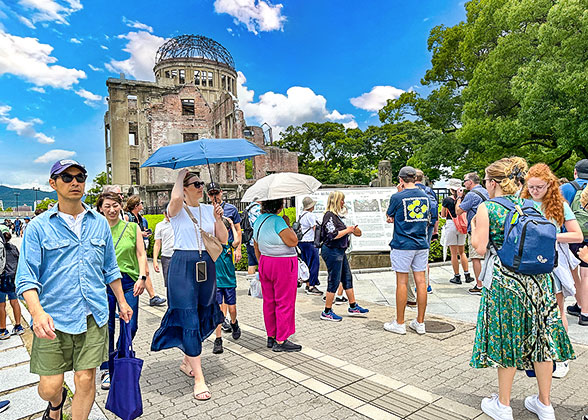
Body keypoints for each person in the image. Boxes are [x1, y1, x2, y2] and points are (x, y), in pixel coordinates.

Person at [16, 159, 132, 420]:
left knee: (85, 378)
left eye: (80, 177)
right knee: (49, 387)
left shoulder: (99, 223)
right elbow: (26, 278)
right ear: (53, 183)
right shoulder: (38, 227)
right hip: (52, 318)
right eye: (66, 177)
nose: (75, 182)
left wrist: (122, 302)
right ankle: (56, 405)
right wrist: (36, 313)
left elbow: (110, 269)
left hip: (93, 315)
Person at [470, 157, 574, 420]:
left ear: (493, 182)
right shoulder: (532, 205)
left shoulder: (488, 208)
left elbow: (479, 248)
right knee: (542, 339)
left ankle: (503, 405)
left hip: (507, 282)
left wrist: (474, 228)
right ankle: (545, 404)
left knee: (507, 338)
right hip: (540, 280)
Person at [151, 170, 227, 401]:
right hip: (182, 265)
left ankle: (187, 361)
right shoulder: (176, 210)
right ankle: (199, 378)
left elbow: (223, 239)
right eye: (195, 184)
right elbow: (174, 200)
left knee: (205, 311)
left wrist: (217, 218)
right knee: (188, 316)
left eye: (201, 183)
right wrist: (180, 174)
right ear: (184, 189)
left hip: (206, 265)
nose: (200, 187)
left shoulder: (208, 209)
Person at [521, 163, 583, 378]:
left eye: (539, 187)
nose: (535, 191)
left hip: (550, 263)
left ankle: (562, 357)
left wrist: (551, 236)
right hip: (527, 264)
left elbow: (577, 235)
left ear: (549, 185)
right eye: (531, 187)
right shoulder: (522, 202)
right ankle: (536, 357)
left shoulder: (559, 205)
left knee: (557, 311)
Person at [96, 192, 148, 391]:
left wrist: (142, 277)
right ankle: (108, 368)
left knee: (131, 326)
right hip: (104, 284)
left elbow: (142, 255)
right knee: (107, 328)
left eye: (115, 205)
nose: (111, 209)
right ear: (101, 208)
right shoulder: (97, 230)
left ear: (121, 206)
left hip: (128, 282)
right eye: (107, 206)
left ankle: (119, 357)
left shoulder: (132, 227)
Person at [384, 166, 431, 335]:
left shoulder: (397, 197)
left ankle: (400, 322)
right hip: (421, 243)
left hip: (403, 244)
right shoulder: (425, 196)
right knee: (421, 282)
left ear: (401, 180)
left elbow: (389, 216)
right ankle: (420, 322)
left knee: (402, 282)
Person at [253, 198, 302, 351]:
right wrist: (287, 224)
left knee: (269, 301)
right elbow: (293, 241)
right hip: (283, 264)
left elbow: (256, 244)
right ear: (280, 207)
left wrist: (261, 262)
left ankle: (271, 335)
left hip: (265, 261)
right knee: (284, 301)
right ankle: (281, 339)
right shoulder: (278, 221)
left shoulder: (258, 220)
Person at [320, 191, 368, 322]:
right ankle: (327, 311)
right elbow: (332, 234)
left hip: (340, 250)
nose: (343, 202)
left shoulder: (337, 216)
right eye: (341, 200)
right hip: (332, 250)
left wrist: (352, 229)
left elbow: (355, 232)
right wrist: (348, 230)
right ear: (336, 201)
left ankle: (353, 306)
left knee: (347, 277)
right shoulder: (329, 216)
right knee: (334, 280)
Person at [207, 182, 242, 333]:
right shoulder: (206, 210)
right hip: (214, 252)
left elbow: (238, 231)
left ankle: (229, 318)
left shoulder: (231, 209)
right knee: (218, 292)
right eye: (211, 193)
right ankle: (223, 320)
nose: (214, 196)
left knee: (227, 288)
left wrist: (238, 249)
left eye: (216, 192)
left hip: (227, 251)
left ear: (221, 192)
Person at [125, 195, 167, 307]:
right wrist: (139, 234)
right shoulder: (127, 217)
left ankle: (152, 296)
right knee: (138, 272)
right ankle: (149, 296)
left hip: (140, 247)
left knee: (146, 271)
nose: (143, 205)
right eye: (141, 203)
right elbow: (125, 233)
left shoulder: (140, 218)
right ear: (136, 205)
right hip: (131, 249)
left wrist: (145, 233)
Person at [561, 159, 588, 326]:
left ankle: (581, 305)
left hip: (572, 236)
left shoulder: (567, 188)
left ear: (575, 172)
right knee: (586, 274)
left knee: (574, 271)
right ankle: (585, 312)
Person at [456, 172, 489, 295]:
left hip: (476, 229)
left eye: (465, 181)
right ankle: (487, 283)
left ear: (470, 181)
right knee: (488, 257)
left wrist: (459, 197)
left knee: (476, 257)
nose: (464, 183)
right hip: (488, 228)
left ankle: (479, 285)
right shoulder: (486, 191)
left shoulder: (471, 194)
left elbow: (458, 211)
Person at [212, 217, 241, 354]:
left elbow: (237, 241)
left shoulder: (229, 245)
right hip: (217, 283)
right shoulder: (213, 247)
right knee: (218, 312)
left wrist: (231, 224)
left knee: (232, 309)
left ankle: (234, 323)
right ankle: (218, 340)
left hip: (229, 282)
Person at [441, 179, 470, 285]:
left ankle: (457, 276)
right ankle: (467, 274)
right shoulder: (464, 198)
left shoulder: (447, 200)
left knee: (453, 253)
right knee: (462, 252)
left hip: (451, 224)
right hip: (462, 225)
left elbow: (443, 214)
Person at [0, 231, 24, 339]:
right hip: (13, 278)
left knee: (1, 305)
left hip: (2, 278)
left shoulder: (1, 248)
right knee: (15, 302)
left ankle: (3, 330)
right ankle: (18, 326)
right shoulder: (14, 248)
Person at [298, 197, 322, 296]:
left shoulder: (301, 215)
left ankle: (307, 284)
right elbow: (315, 228)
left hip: (302, 242)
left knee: (306, 264)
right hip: (310, 242)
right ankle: (311, 286)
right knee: (314, 264)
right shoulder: (310, 215)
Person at [153, 208, 175, 288]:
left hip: (179, 255)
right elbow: (157, 243)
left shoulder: (179, 222)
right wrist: (155, 260)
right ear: (164, 213)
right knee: (168, 283)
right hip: (166, 256)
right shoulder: (160, 226)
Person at [244, 201, 261, 276]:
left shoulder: (248, 208)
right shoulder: (258, 209)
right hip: (257, 240)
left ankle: (251, 284)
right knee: (261, 263)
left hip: (249, 238)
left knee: (251, 263)